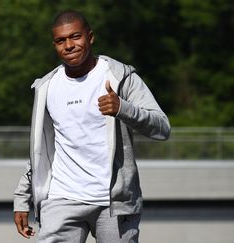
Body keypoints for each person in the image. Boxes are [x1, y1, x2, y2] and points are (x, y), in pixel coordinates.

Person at [13, 10, 170, 243]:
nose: (68, 45)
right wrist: (22, 198)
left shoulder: (120, 77)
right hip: (61, 198)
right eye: (60, 40)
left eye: (75, 37)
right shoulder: (47, 87)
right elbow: (42, 151)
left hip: (113, 202)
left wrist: (123, 108)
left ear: (90, 37)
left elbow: (162, 128)